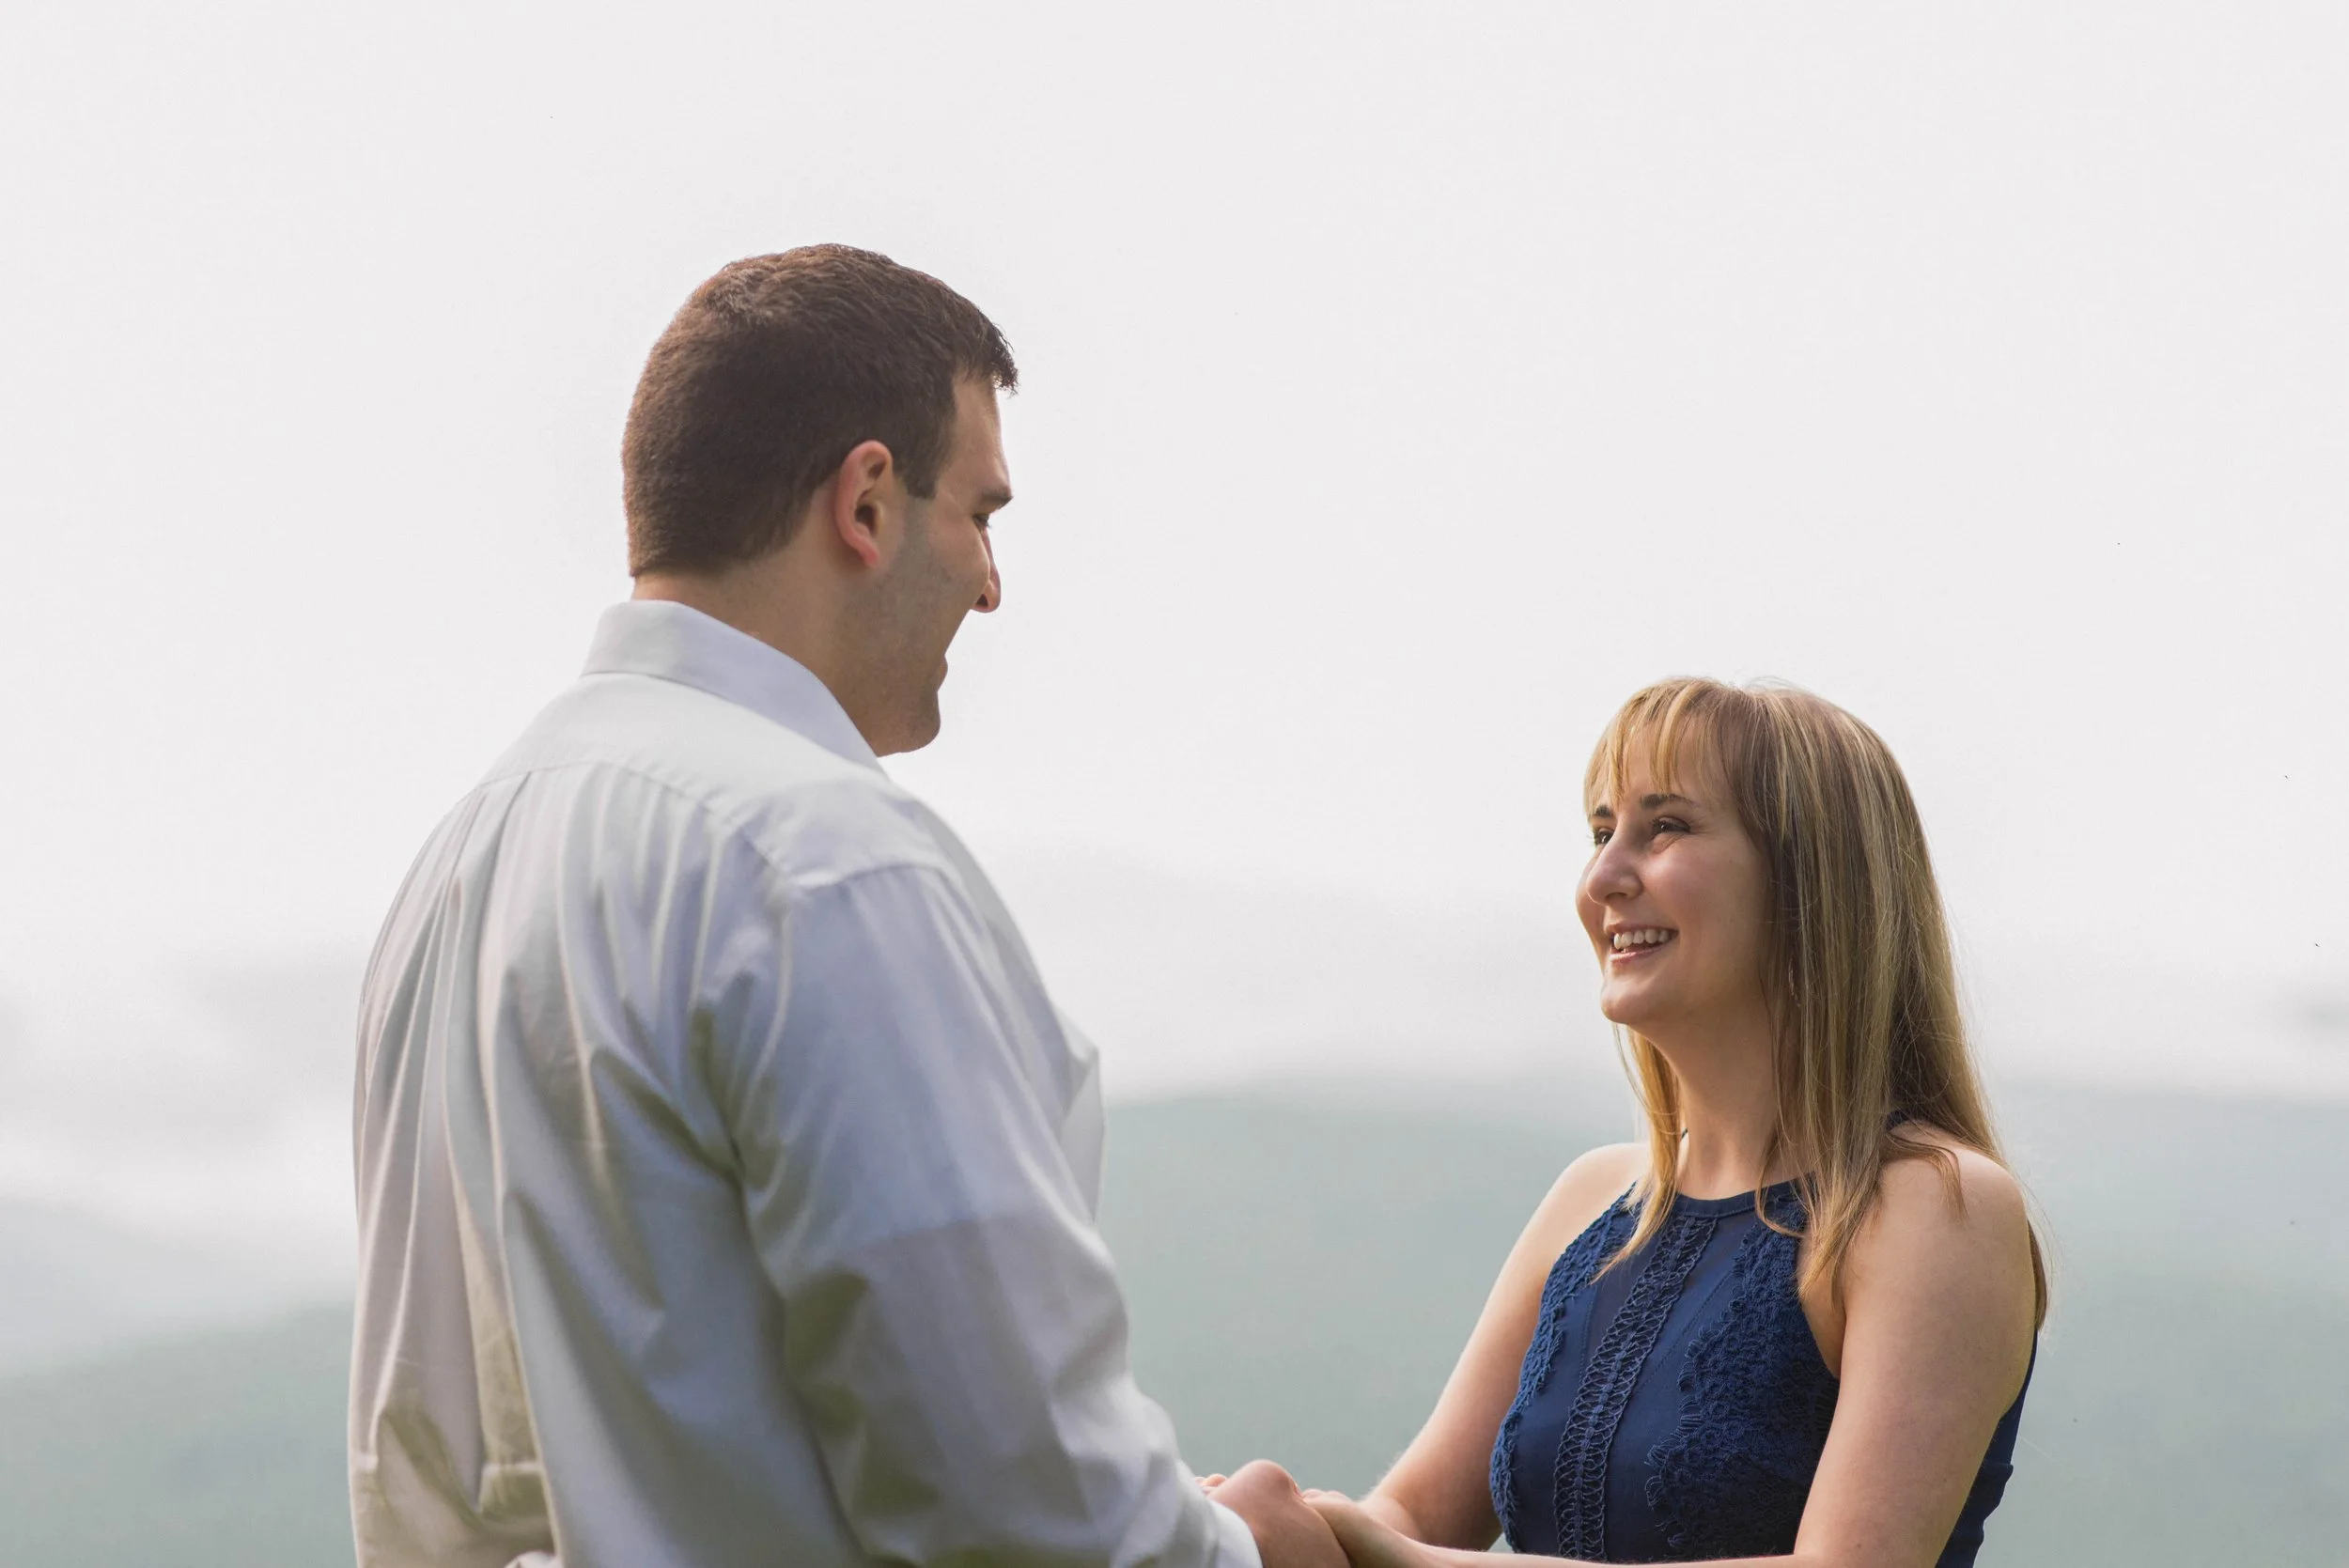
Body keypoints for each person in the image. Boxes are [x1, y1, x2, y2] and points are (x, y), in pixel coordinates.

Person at [348, 245, 1341, 1568]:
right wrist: (1244, 1551)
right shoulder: (822, 868)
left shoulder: (456, 871)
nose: (991, 584)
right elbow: (1019, 1500)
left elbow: (417, 1473)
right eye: (981, 515)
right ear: (866, 502)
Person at [1283, 679, 2044, 1568]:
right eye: (1602, 832)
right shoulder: (1593, 1199)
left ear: (1812, 879)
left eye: (1666, 826)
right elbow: (1407, 1514)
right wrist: (1271, 1527)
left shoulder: (1933, 1208)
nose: (1602, 878)